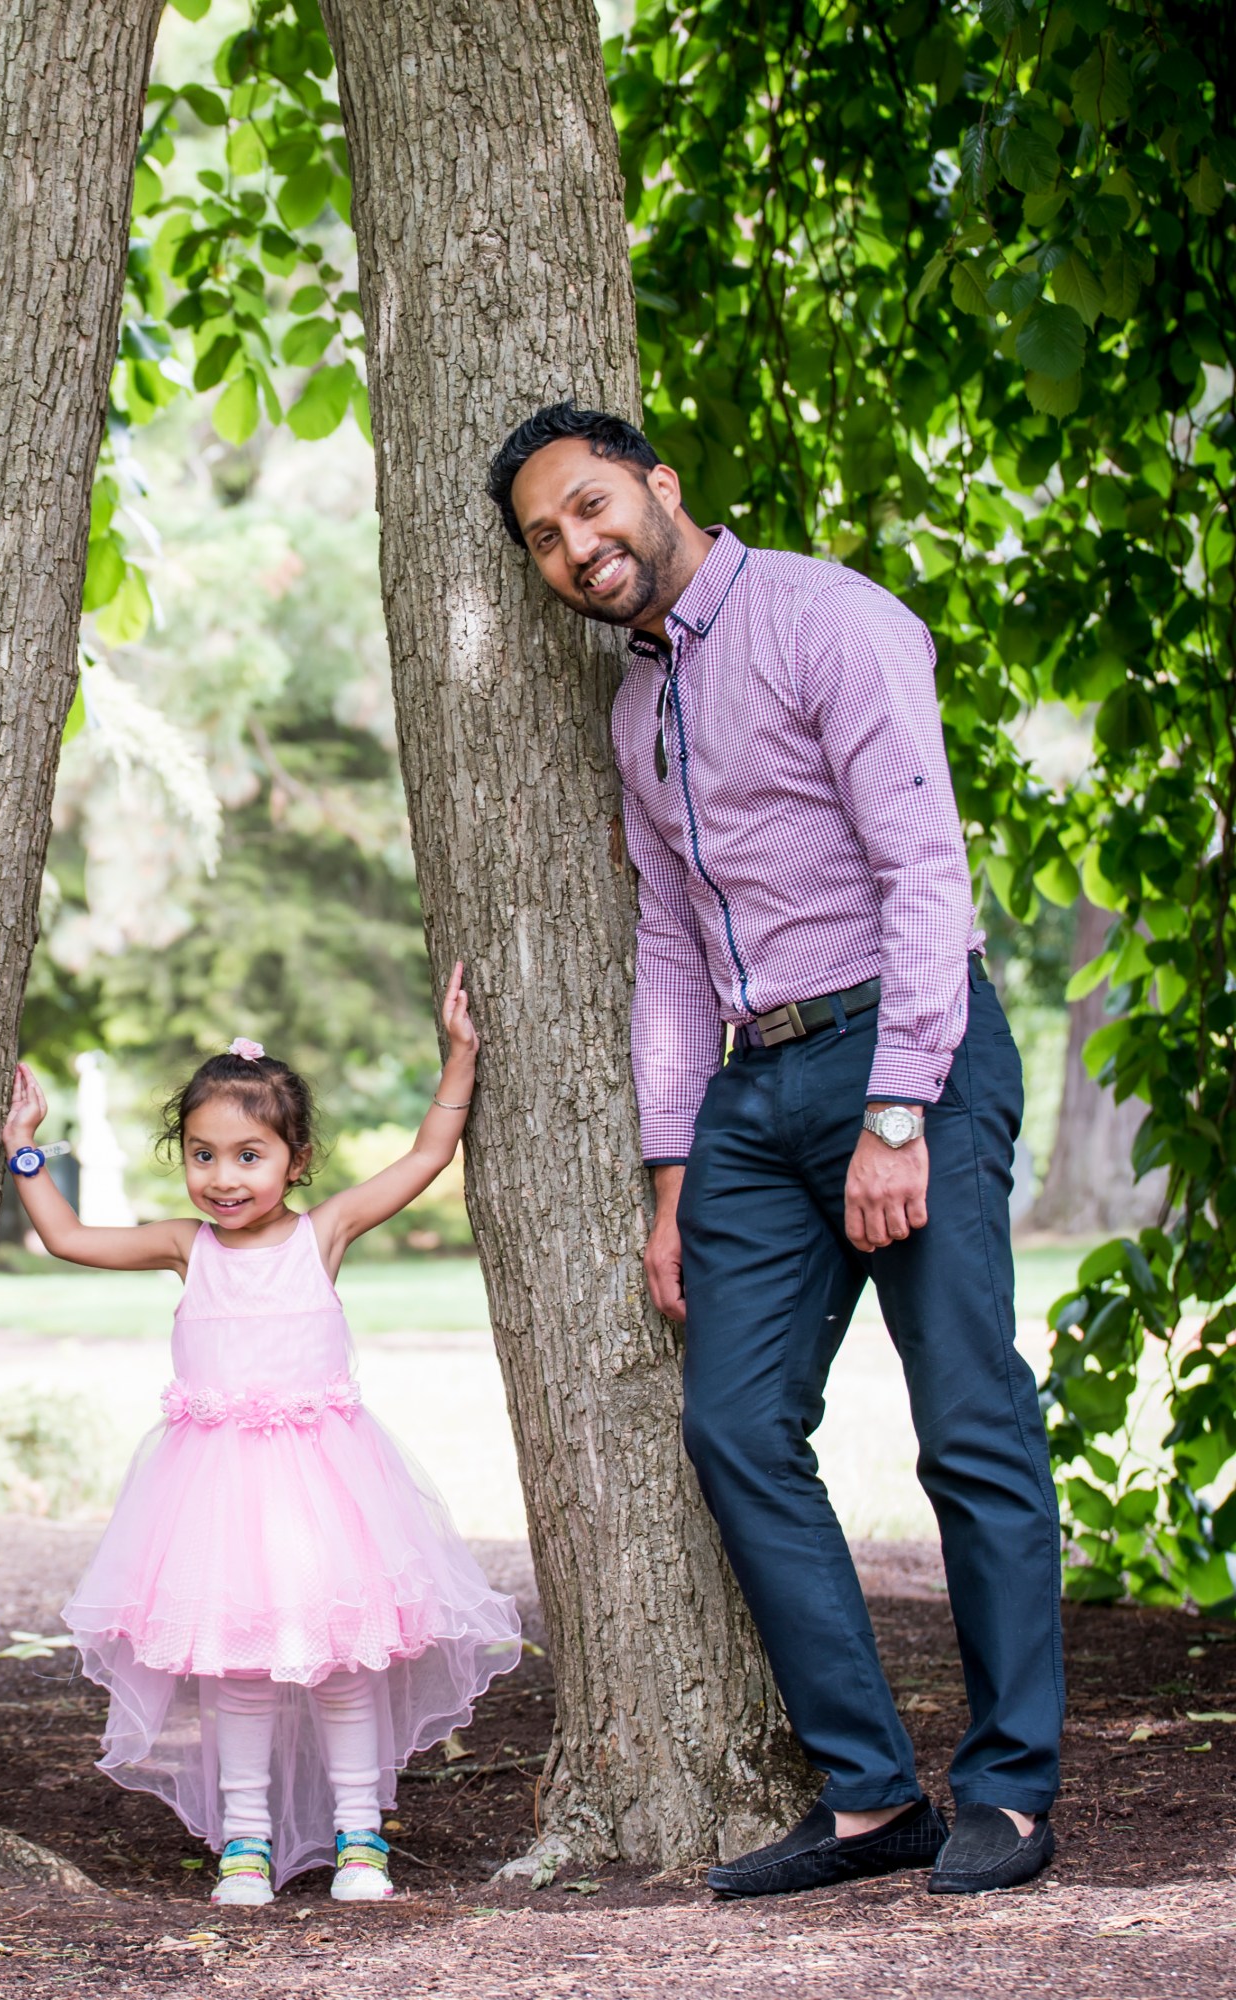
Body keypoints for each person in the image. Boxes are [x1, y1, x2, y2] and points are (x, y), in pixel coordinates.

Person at [485, 404, 1062, 1898]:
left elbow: (924, 872)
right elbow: (675, 953)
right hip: (751, 1090)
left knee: (970, 1423)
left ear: (660, 489)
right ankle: (874, 1798)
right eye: (548, 537)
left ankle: (1008, 1786)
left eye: (593, 506)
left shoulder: (828, 620)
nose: (579, 546)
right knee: (735, 1431)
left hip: (900, 1045)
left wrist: (897, 1112)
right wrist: (673, 1179)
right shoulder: (635, 711)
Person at [1, 973, 522, 1904]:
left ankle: (361, 1837)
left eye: (249, 1155)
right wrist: (25, 1152)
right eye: (203, 1156)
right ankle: (244, 1840)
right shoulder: (182, 1247)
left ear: (296, 1159)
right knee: (233, 1668)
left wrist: (461, 1056)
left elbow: (426, 1156)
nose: (223, 1178)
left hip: (328, 1492)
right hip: (213, 1501)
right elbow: (70, 1241)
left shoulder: (322, 1235)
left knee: (342, 1664)